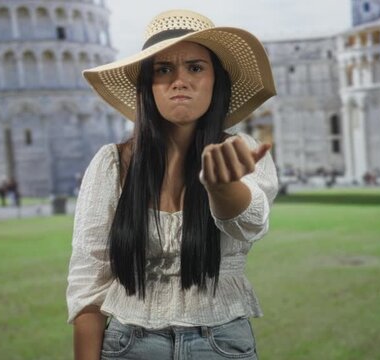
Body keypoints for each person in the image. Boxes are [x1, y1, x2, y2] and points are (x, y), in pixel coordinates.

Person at [66, 10, 277, 360]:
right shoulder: (112, 163)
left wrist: (221, 186)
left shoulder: (241, 154)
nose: (180, 81)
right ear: (147, 86)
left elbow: (251, 223)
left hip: (221, 344)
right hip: (127, 345)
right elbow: (89, 280)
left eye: (195, 68)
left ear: (216, 80)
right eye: (163, 70)